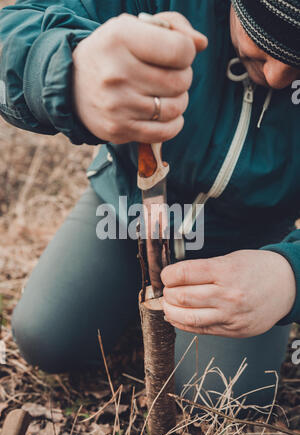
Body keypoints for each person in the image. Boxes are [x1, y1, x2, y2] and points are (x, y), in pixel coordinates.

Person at [0, 0, 299, 407]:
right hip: (122, 217)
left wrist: (289, 275)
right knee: (45, 337)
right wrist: (68, 73)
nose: (278, 76)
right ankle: (128, 305)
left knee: (221, 397)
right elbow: (13, 27)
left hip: (250, 248)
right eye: (264, 37)